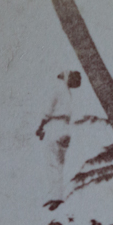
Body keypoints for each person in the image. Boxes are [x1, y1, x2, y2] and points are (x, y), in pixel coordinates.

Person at [37, 70, 83, 211]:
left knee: (52, 162)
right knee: (59, 163)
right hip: (66, 129)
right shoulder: (68, 93)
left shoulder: (58, 88)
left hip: (55, 126)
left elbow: (48, 110)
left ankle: (54, 196)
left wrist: (41, 126)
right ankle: (57, 195)